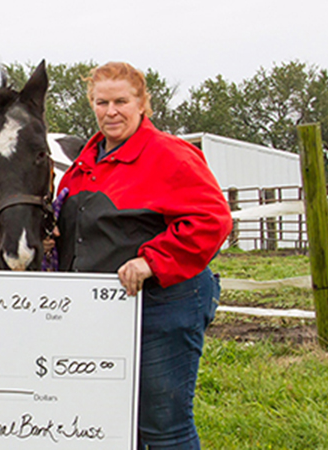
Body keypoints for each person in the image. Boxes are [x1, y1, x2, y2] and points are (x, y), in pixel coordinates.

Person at [53, 62, 232, 449]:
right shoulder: (86, 163)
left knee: (163, 424)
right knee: (117, 422)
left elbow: (211, 219)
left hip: (164, 304)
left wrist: (151, 260)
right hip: (108, 310)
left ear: (142, 103)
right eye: (102, 102)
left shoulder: (169, 155)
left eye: (121, 101)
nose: (111, 111)